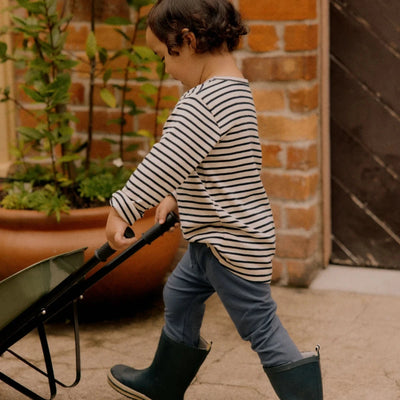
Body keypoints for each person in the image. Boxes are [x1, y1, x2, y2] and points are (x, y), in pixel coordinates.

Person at [105, 0, 323, 399]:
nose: (164, 68)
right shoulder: (228, 91)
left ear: (186, 41)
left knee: (259, 326)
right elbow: (199, 160)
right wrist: (174, 195)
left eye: (161, 56)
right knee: (179, 294)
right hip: (215, 237)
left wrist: (125, 208)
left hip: (231, 242)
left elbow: (167, 158)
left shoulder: (207, 101)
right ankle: (164, 381)